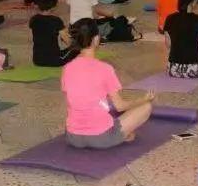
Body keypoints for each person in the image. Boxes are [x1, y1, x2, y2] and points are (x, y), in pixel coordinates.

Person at [61, 18, 154, 149]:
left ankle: (115, 133)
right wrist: (142, 100)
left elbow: (75, 100)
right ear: (96, 39)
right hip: (101, 138)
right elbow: (120, 106)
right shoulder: (105, 68)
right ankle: (119, 135)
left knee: (99, 105)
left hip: (72, 137)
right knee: (146, 107)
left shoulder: (67, 68)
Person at [30, 0, 77, 67]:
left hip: (37, 59)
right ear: (54, 6)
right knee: (77, 48)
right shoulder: (56, 21)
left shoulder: (33, 20)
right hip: (54, 60)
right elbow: (67, 40)